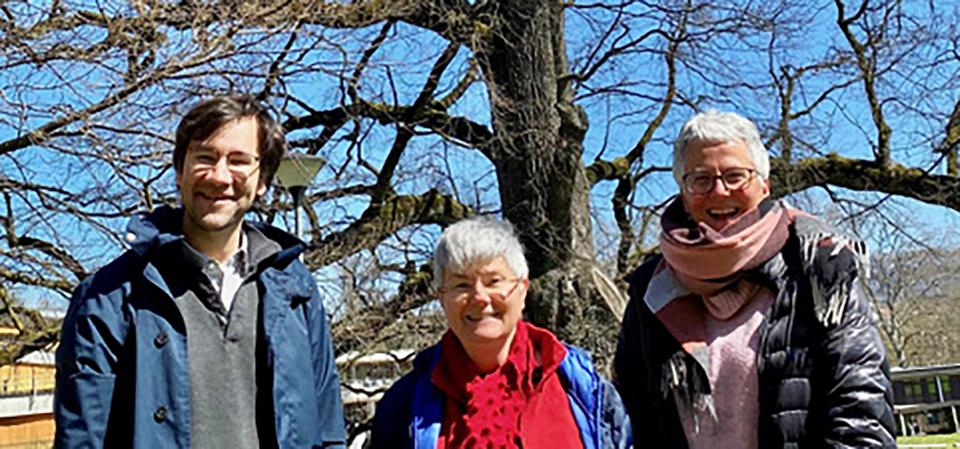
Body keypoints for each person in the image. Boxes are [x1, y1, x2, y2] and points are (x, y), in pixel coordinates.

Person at [54, 94, 346, 448]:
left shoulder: (297, 290)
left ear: (264, 180)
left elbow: (329, 432)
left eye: (239, 161)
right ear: (180, 172)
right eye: (205, 157)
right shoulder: (109, 296)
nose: (220, 177)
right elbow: (82, 440)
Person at [613, 110, 896, 448]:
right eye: (700, 179)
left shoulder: (819, 268)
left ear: (764, 184)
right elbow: (632, 414)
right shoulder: (651, 289)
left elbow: (860, 407)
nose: (719, 191)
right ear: (684, 194)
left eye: (735, 176)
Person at [369, 217, 631, 449]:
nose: (479, 297)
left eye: (493, 281)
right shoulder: (404, 406)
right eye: (462, 284)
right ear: (442, 297)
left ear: (522, 289)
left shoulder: (585, 391)